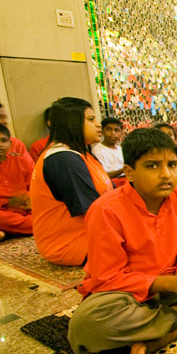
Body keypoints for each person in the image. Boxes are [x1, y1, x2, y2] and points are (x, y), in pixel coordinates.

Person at [68, 128, 177, 354]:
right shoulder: (106, 210)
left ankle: (160, 331)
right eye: (152, 166)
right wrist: (167, 284)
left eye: (172, 165)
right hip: (126, 296)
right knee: (86, 324)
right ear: (130, 172)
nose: (166, 175)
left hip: (174, 288)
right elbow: (107, 277)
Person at [30, 97, 113, 266]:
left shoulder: (82, 154)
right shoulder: (63, 159)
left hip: (94, 233)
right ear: (72, 123)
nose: (98, 124)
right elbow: (92, 211)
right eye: (91, 119)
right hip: (72, 243)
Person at [92, 117, 126, 186]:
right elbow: (103, 175)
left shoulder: (121, 149)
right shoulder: (97, 151)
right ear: (102, 131)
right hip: (111, 184)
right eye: (109, 129)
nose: (113, 133)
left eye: (116, 130)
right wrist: (124, 169)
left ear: (121, 133)